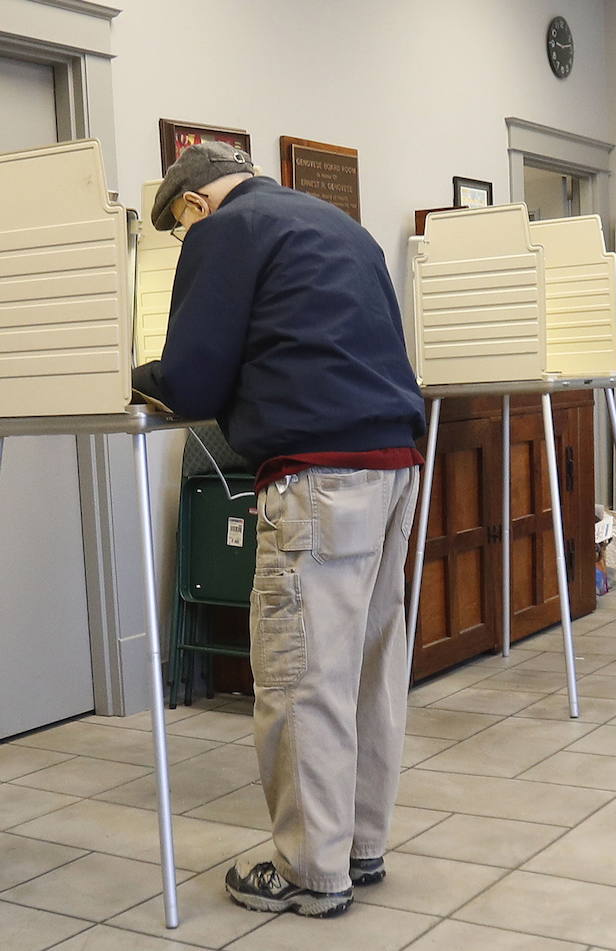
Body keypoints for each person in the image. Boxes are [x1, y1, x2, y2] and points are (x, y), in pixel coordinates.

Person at [132, 142, 426, 917]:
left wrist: (130, 376)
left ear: (192, 207)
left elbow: (192, 374)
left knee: (301, 677)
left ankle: (307, 870)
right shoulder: (335, 223)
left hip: (319, 472)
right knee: (367, 666)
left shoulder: (225, 232)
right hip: (396, 465)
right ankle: (358, 847)